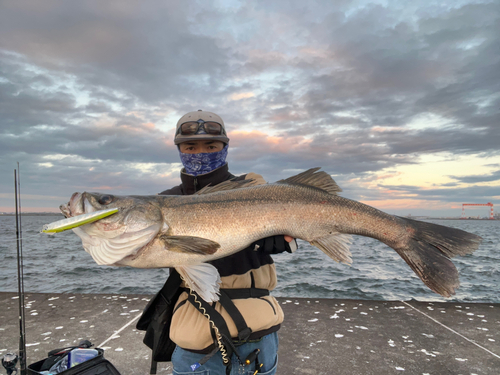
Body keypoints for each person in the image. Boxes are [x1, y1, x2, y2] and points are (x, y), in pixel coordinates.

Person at [155, 110, 297, 375]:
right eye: (190, 146)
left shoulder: (251, 188)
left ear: (225, 147)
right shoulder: (166, 200)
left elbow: (291, 230)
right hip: (196, 332)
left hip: (257, 328)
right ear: (179, 149)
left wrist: (285, 240)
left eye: (211, 145)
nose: (200, 152)